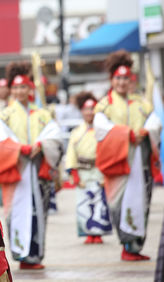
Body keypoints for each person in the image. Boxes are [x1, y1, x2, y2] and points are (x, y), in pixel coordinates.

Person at [0, 61, 62, 270]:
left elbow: (54, 135)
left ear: (30, 88)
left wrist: (41, 145)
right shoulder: (5, 115)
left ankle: (35, 255)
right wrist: (20, 149)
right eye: (16, 87)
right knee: (17, 211)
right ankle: (22, 254)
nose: (20, 91)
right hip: (17, 170)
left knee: (39, 212)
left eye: (24, 87)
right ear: (11, 90)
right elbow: (0, 139)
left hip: (38, 170)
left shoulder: (42, 114)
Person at [94, 50, 161, 261]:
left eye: (125, 78)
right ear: (112, 79)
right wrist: (127, 134)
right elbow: (101, 128)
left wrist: (146, 131)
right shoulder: (105, 104)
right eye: (118, 78)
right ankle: (126, 244)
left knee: (142, 200)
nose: (122, 82)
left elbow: (154, 121)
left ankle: (135, 246)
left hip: (140, 160)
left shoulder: (142, 102)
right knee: (119, 203)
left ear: (130, 79)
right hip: (119, 162)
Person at [65, 92, 112, 244]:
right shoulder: (77, 131)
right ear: (81, 111)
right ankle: (87, 233)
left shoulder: (103, 130)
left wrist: (106, 173)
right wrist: (74, 173)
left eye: (92, 109)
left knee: (100, 203)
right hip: (83, 171)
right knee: (84, 203)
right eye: (86, 109)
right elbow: (71, 152)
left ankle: (98, 233)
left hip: (99, 170)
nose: (89, 112)